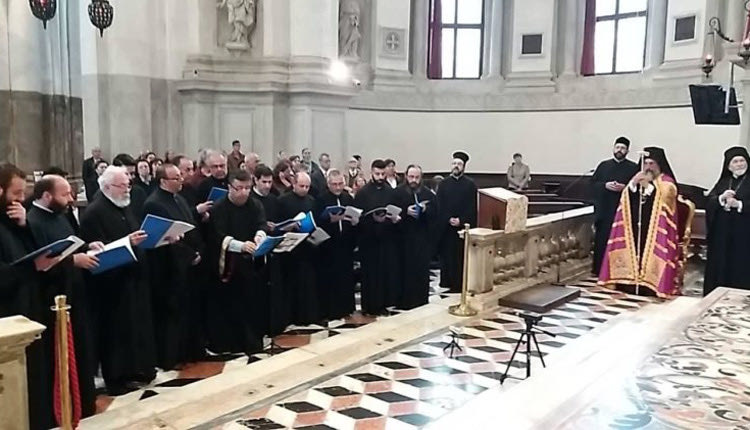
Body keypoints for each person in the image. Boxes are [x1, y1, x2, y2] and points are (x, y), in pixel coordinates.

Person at [0, 164, 87, 430]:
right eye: (15, 193)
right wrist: (30, 267)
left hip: (28, 308)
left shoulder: (14, 221)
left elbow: (28, 252)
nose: (20, 199)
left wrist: (25, 226)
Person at [25, 175, 100, 422]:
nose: (70, 199)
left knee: (81, 350)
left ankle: (83, 404)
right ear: (47, 196)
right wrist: (73, 261)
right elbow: (40, 262)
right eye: (65, 194)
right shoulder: (33, 222)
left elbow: (71, 244)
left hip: (74, 294)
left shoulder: (60, 215)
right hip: (52, 300)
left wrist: (88, 247)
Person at [79, 166, 155, 395]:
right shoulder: (95, 212)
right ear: (107, 187)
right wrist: (128, 242)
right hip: (110, 284)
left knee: (135, 327)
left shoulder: (125, 206)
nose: (127, 190)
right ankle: (116, 377)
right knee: (115, 333)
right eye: (122, 186)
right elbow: (96, 247)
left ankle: (136, 370)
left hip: (132, 277)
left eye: (128, 184)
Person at [142, 164, 208, 369]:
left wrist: (198, 251)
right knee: (171, 314)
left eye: (180, 176)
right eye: (176, 178)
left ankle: (191, 350)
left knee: (189, 309)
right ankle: (172, 356)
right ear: (163, 181)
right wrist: (189, 256)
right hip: (168, 267)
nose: (181, 180)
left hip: (187, 264)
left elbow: (189, 227)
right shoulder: (154, 204)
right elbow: (163, 239)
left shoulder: (179, 198)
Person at [598, 147, 680, 298]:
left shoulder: (667, 182)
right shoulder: (638, 177)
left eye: (652, 163)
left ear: (659, 165)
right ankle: (628, 280)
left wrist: (648, 187)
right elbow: (626, 199)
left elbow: (665, 199)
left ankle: (651, 284)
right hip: (634, 228)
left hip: (654, 230)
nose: (648, 167)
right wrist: (633, 185)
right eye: (646, 163)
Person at [206, 170, 267, 354]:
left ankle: (251, 341)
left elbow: (261, 223)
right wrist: (240, 246)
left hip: (250, 264)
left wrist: (260, 236)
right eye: (239, 188)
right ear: (229, 187)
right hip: (229, 266)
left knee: (252, 303)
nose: (243, 193)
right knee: (230, 305)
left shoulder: (254, 204)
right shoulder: (219, 208)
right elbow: (217, 236)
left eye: (247, 188)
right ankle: (228, 344)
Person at [354, 159, 402, 315]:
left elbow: (395, 210)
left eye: (383, 174)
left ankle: (383, 304)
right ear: (371, 173)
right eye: (377, 174)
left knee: (384, 273)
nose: (380, 177)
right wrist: (372, 219)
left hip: (386, 238)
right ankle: (369, 306)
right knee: (370, 274)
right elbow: (358, 216)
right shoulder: (363, 193)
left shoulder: (390, 191)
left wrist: (393, 219)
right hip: (369, 239)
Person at [704, 146, 750, 295]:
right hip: (723, 235)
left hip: (745, 235)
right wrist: (721, 199)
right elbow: (709, 202)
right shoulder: (723, 182)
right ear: (729, 166)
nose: (739, 164)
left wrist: (740, 205)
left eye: (742, 160)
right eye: (735, 161)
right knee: (722, 264)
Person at [590, 137, 639, 275]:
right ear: (613, 148)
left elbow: (637, 189)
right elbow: (593, 184)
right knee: (602, 241)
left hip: (623, 212)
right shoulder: (603, 166)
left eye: (623, 148)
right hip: (604, 211)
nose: (619, 150)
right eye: (617, 147)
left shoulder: (633, 168)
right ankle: (599, 269)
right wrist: (604, 185)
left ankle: (618, 271)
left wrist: (624, 188)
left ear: (627, 151)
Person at [277, 172, 321, 324]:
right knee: (291, 284)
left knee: (307, 283)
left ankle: (307, 315)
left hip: (307, 247)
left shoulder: (311, 200)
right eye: (301, 186)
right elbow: (278, 225)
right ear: (294, 184)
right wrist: (288, 226)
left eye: (307, 186)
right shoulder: (282, 201)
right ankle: (291, 316)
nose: (304, 189)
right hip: (290, 249)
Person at [314, 169, 358, 320]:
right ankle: (329, 311)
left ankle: (346, 308)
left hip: (345, 244)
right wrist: (329, 221)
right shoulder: (321, 199)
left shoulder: (348, 198)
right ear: (328, 184)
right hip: (328, 246)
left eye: (340, 184)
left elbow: (355, 218)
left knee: (345, 278)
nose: (338, 188)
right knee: (329, 279)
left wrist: (354, 221)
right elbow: (316, 223)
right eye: (334, 184)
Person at [250, 164, 289, 335]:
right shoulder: (250, 200)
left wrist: (281, 228)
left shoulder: (274, 199)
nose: (267, 186)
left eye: (269, 182)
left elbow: (279, 222)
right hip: (254, 252)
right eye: (264, 182)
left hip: (273, 249)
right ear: (255, 180)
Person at [396, 165, 437, 309]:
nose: (414, 180)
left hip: (421, 239)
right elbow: (392, 211)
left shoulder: (428, 194)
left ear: (421, 178)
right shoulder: (398, 193)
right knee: (404, 271)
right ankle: (403, 301)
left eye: (417, 177)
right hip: (403, 239)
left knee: (421, 271)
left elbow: (436, 212)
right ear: (406, 177)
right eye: (411, 177)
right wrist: (405, 212)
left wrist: (426, 209)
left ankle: (421, 299)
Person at [436, 151, 477, 293]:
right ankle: (446, 282)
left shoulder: (470, 184)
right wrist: (448, 218)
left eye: (459, 164)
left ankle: (460, 284)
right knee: (447, 257)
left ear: (464, 167)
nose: (456, 166)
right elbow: (439, 204)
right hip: (446, 228)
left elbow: (472, 207)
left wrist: (461, 220)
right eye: (454, 163)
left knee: (460, 258)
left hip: (462, 228)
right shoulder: (443, 184)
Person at [111, 153, 148, 219]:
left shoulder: (139, 192)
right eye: (127, 174)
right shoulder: (106, 195)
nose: (131, 177)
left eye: (132, 173)